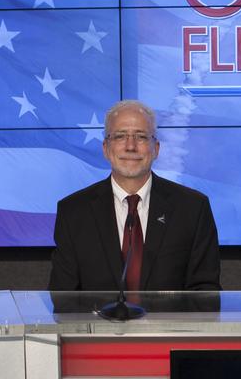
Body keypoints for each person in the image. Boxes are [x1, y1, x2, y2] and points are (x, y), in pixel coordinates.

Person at [48, 99, 220, 291]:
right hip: (99, 321)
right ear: (106, 148)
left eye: (141, 137)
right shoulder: (74, 212)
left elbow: (206, 294)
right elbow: (63, 299)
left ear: (156, 148)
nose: (131, 146)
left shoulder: (192, 208)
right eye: (120, 136)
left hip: (170, 322)